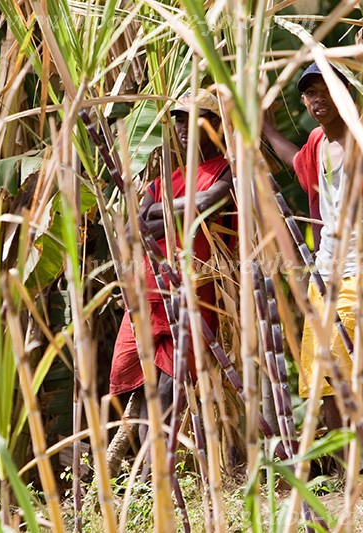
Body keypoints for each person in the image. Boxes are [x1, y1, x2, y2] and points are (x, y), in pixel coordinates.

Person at [262, 61, 363, 436]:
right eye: (311, 93)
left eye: (327, 90)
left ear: (344, 93)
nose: (320, 100)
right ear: (304, 101)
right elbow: (297, 163)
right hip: (325, 272)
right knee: (323, 377)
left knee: (344, 372)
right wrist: (266, 128)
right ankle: (348, 468)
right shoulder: (317, 143)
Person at [107, 90, 234, 473]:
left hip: (192, 292)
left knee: (170, 386)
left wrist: (159, 213)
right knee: (142, 382)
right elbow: (132, 225)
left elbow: (210, 203)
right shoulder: (167, 178)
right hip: (148, 294)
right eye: (178, 119)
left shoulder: (228, 169)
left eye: (192, 119)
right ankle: (145, 484)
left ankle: (150, 480)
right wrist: (178, 209)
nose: (182, 128)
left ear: (214, 125)